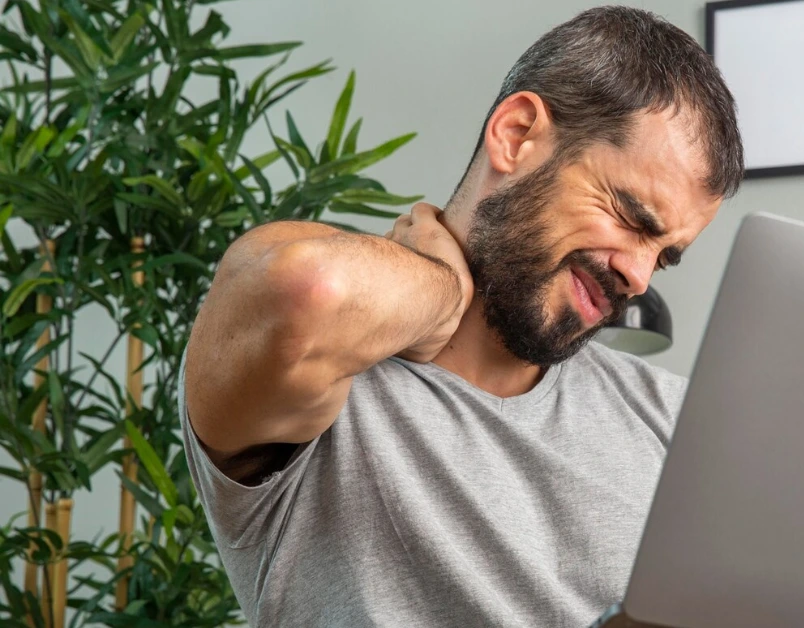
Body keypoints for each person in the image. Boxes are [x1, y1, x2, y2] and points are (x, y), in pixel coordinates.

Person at [180, 5, 744, 626]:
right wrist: (447, 287)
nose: (638, 276)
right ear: (517, 134)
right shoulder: (327, 378)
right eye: (631, 218)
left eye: (663, 257)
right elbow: (309, 289)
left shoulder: (672, 419)